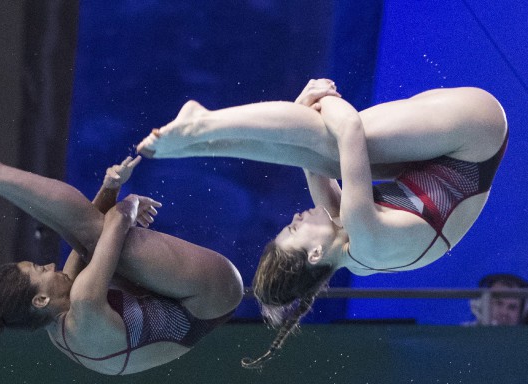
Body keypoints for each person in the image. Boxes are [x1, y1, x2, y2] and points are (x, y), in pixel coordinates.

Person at [136, 79, 508, 368]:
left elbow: (310, 162)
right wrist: (323, 96)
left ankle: (199, 144)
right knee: (333, 144)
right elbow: (346, 130)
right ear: (315, 253)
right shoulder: (367, 237)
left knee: (325, 154)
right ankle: (202, 123)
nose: (296, 217)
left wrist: (301, 107)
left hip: (442, 152)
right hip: (476, 133)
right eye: (294, 229)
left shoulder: (344, 242)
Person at [0, 147, 243, 375]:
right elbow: (116, 221)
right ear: (40, 298)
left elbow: (84, 245)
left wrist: (110, 186)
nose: (47, 265)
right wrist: (128, 201)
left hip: (171, 302)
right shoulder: (84, 305)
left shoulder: (56, 316)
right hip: (210, 295)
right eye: (38, 271)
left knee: (86, 238)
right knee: (96, 235)